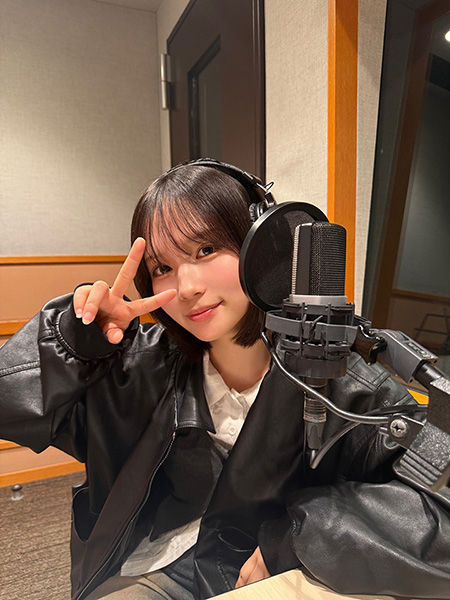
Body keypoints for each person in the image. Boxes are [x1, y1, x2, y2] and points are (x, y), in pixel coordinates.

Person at [0, 160, 449, 600]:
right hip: (155, 565)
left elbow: (437, 512)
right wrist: (74, 342)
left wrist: (305, 535)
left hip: (267, 576)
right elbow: (9, 409)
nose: (187, 287)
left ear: (262, 249)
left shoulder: (348, 387)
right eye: (162, 268)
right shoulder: (138, 364)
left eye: (205, 250)